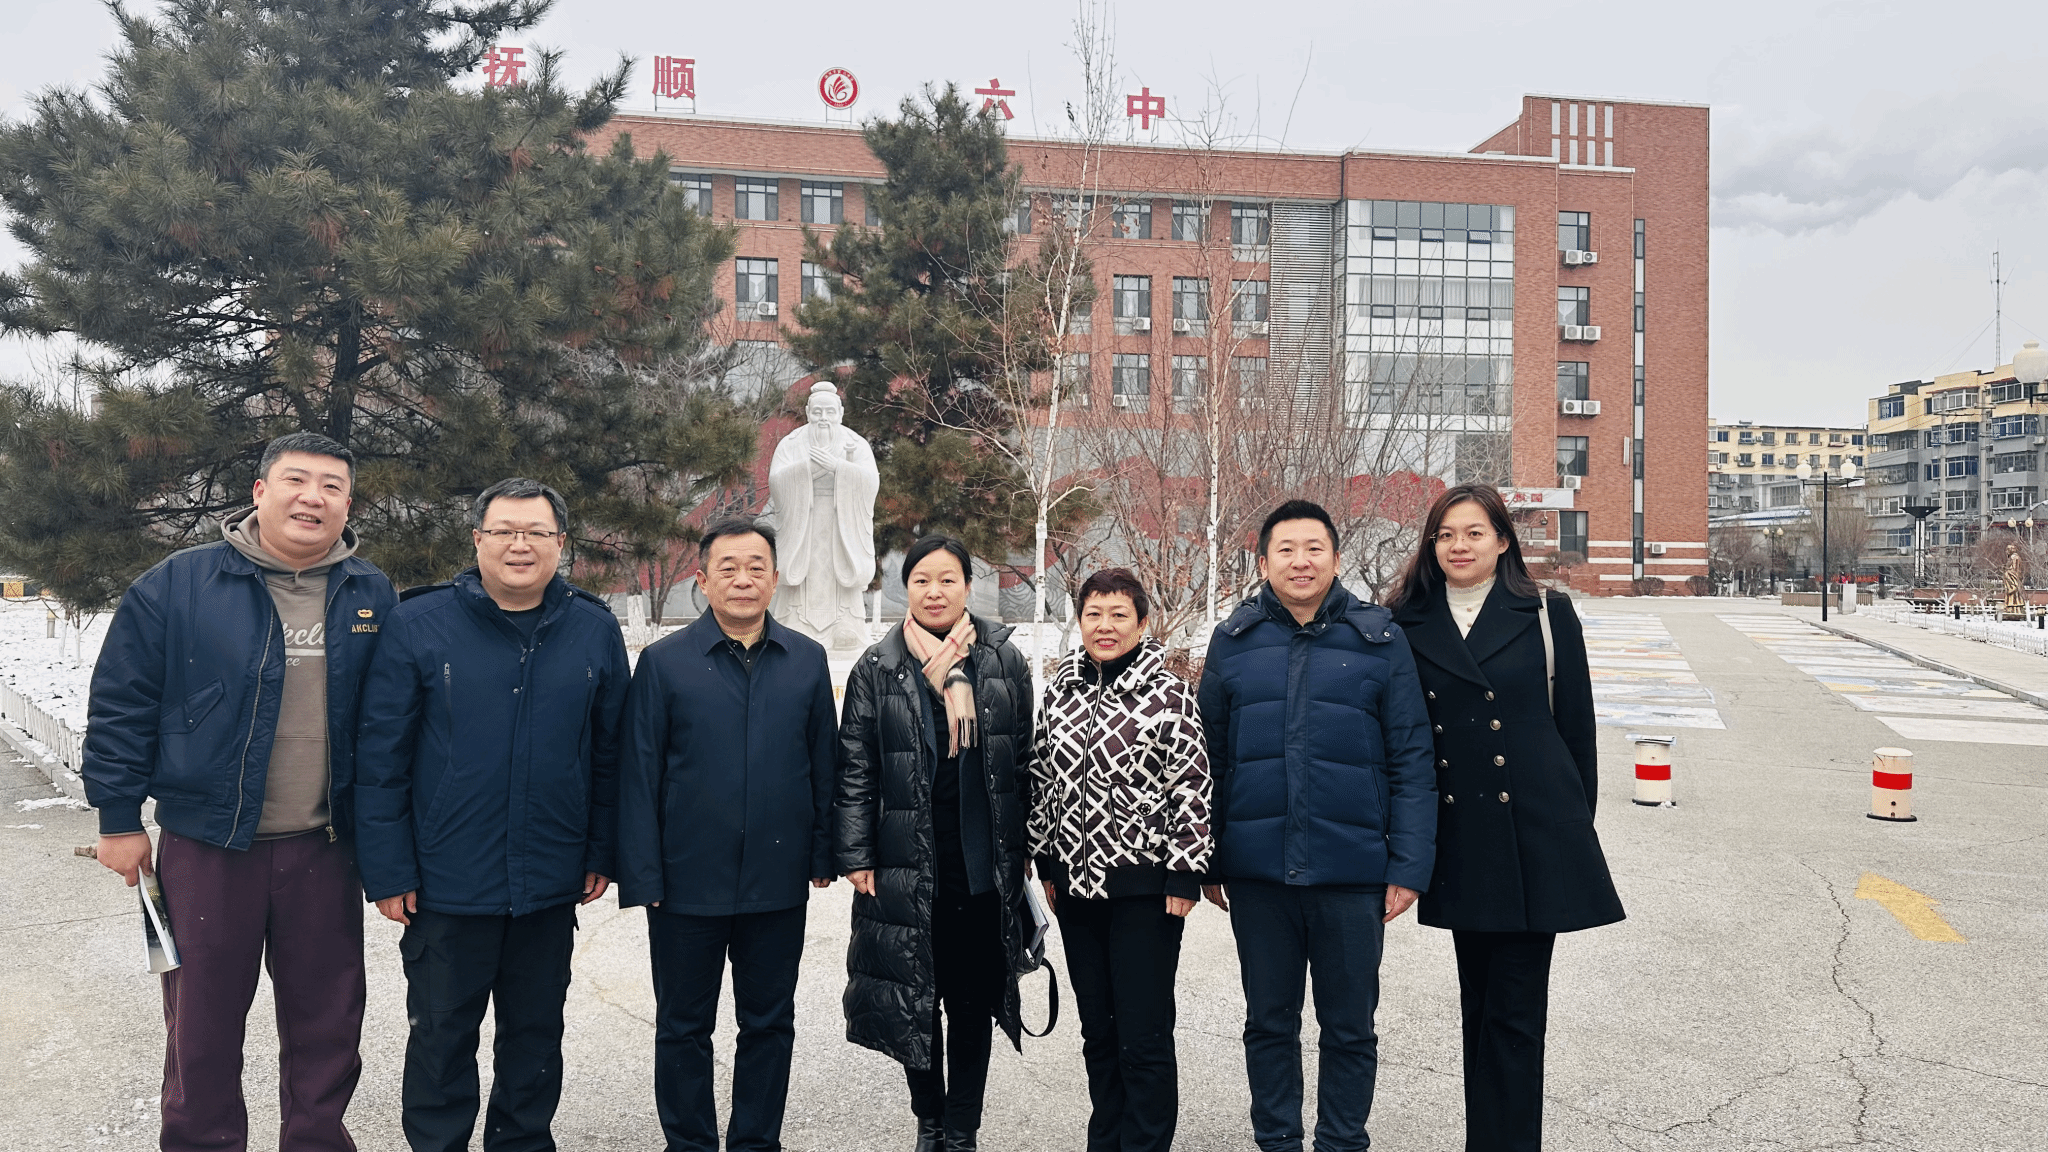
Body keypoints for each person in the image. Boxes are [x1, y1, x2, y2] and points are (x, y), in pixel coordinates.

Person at [81, 431, 397, 1152]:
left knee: (328, 1021)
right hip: (209, 844)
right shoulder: (180, 583)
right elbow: (123, 701)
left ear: (348, 505)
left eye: (333, 487)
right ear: (260, 491)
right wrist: (118, 817)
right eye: (296, 480)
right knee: (201, 1025)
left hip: (325, 846)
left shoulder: (369, 592)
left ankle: (315, 1141)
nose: (313, 498)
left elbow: (389, 721)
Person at [354, 477, 630, 1152]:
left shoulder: (592, 628)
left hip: (549, 879)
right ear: (477, 539)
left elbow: (610, 753)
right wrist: (388, 871)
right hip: (447, 881)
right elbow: (381, 757)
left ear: (561, 544)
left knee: (534, 1038)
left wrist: (601, 850)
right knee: (441, 1038)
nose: (520, 545)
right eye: (504, 530)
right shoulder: (419, 623)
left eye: (536, 532)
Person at [1386, 484, 1624, 1152]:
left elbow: (1577, 731)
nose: (1458, 546)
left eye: (1473, 533)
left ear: (1502, 540)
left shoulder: (1547, 611)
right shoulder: (1404, 620)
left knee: (1515, 1016)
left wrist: (1571, 832)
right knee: (1480, 1008)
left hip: (1534, 837)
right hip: (1461, 835)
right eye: (1445, 535)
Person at [1197, 499, 1437, 1152]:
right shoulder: (1234, 641)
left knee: (1350, 1028)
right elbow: (1208, 758)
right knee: (1268, 1024)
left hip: (1351, 871)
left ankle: (1340, 1142)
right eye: (1286, 549)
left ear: (1335, 557)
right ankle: (1277, 1141)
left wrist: (1409, 865)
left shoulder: (1379, 639)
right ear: (1263, 562)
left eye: (1314, 548)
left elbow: (1412, 758)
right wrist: (1208, 859)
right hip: (1258, 871)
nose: (1300, 561)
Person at [616, 517, 840, 1152]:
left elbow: (824, 765)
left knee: (768, 1023)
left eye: (756, 568)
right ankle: (689, 1143)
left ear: (775, 578)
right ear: (703, 579)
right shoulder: (664, 663)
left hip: (777, 879)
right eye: (728, 568)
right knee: (683, 1025)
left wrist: (822, 852)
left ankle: (755, 1142)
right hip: (685, 882)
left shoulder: (806, 660)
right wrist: (643, 874)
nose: (743, 580)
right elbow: (639, 773)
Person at [834, 535, 1036, 1152]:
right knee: (914, 1003)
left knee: (972, 1004)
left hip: (981, 867)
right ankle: (930, 1122)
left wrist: (1025, 851)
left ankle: (963, 1128)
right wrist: (856, 854)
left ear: (968, 587)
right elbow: (855, 767)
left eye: (948, 579)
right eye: (922, 580)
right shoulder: (878, 666)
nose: (935, 592)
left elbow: (1025, 760)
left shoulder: (1003, 659)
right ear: (907, 588)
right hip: (907, 863)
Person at [1028, 568, 1212, 1152]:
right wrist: (1044, 860)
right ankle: (1106, 1138)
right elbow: (1042, 778)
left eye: (1118, 615)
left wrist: (1185, 872)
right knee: (1098, 1031)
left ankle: (1146, 1142)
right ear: (1079, 620)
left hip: (1145, 891)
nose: (1104, 626)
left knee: (1143, 1033)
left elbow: (1192, 785)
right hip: (1075, 890)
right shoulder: (1060, 690)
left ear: (1142, 622)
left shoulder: (1169, 694)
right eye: (1093, 614)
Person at [767, 379, 879, 649]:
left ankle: (846, 626)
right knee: (800, 577)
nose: (823, 418)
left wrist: (839, 468)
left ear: (840, 413)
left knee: (840, 572)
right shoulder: (791, 444)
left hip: (843, 525)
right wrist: (808, 470)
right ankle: (794, 624)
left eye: (829, 412)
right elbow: (777, 482)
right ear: (808, 412)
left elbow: (870, 482)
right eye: (817, 412)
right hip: (802, 525)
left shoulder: (856, 444)